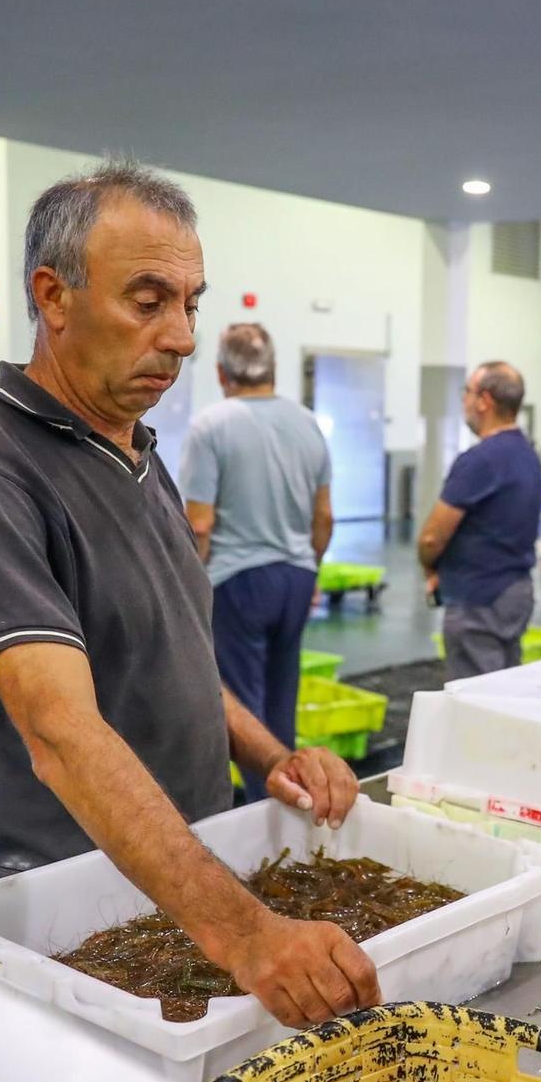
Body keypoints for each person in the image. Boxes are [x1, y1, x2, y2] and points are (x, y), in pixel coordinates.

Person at [0, 160, 379, 1030]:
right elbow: (60, 734)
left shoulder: (134, 451)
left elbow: (173, 656)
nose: (184, 336)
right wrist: (250, 935)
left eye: (191, 303)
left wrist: (269, 756)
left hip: (170, 884)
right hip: (51, 911)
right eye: (148, 300)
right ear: (54, 295)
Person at [180, 322, 333, 799]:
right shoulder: (307, 422)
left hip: (238, 582)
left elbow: (199, 524)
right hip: (296, 576)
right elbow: (324, 516)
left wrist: (188, 594)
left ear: (223, 373)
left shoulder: (213, 424)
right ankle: (297, 800)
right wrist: (311, 571)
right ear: (274, 370)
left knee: (241, 713)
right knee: (280, 706)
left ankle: (269, 812)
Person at [419, 362, 540, 680]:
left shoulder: (479, 461)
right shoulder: (527, 455)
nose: (465, 401)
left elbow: (433, 536)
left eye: (467, 393)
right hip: (515, 591)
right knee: (505, 689)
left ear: (485, 400)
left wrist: (429, 566)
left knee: (476, 700)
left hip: (479, 598)